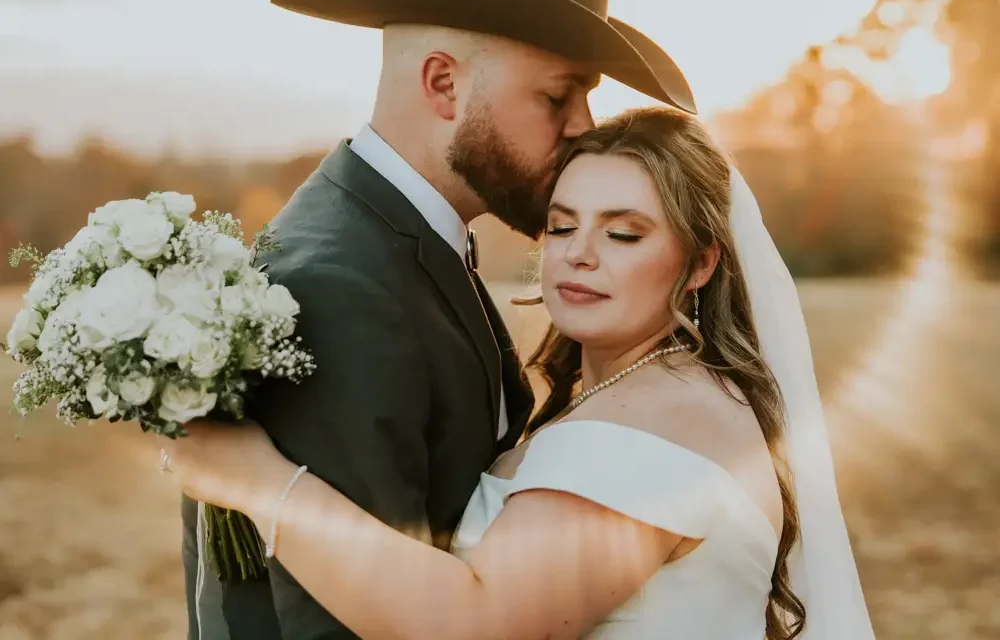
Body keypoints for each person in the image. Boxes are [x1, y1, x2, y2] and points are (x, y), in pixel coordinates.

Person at [179, 0, 696, 639]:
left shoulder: (410, 237)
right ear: (444, 85)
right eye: (559, 95)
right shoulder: (337, 289)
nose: (585, 126)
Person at [164, 107, 877, 638]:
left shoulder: (662, 418)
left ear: (700, 263)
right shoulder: (637, 396)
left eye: (624, 233)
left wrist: (258, 481)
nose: (580, 253)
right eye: (563, 225)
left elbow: (480, 623)